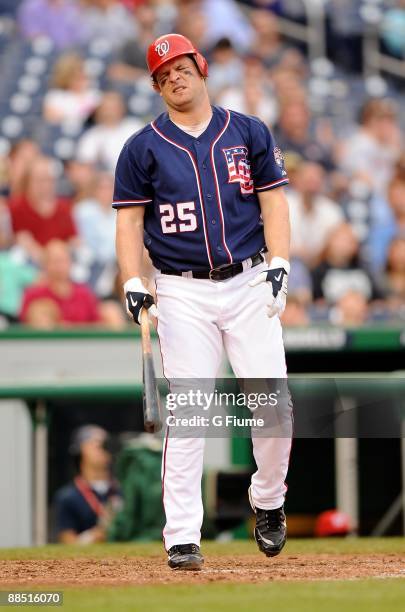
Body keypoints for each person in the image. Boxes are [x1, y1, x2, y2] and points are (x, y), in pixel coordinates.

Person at [113, 34, 292, 570]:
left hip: (248, 280)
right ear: (155, 85)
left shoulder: (248, 131)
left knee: (274, 409)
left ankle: (268, 499)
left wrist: (280, 260)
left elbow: (273, 201)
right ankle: (182, 535)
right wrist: (132, 280)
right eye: (163, 73)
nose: (174, 76)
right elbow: (128, 222)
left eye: (181, 65)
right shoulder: (141, 147)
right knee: (189, 411)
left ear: (201, 67)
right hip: (182, 287)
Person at [54, 425, 122, 544]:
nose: (102, 447)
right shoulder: (68, 497)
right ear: (80, 450)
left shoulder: (123, 490)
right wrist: (91, 537)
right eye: (95, 443)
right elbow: (67, 542)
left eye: (105, 444)